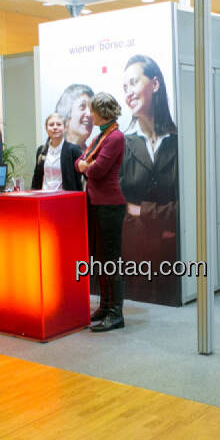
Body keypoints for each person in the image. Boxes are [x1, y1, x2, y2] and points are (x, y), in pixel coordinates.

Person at [118, 54, 180, 306]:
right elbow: (120, 205)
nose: (128, 93)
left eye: (133, 83)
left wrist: (142, 211)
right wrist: (159, 214)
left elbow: (187, 208)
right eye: (125, 88)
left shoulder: (180, 142)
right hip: (135, 255)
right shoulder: (122, 145)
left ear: (155, 84)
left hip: (174, 255)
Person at [75, 93, 127, 333]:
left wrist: (86, 166)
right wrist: (85, 165)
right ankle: (105, 307)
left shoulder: (115, 137)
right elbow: (80, 162)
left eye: (92, 111)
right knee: (99, 258)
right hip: (96, 203)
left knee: (111, 260)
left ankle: (116, 313)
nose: (90, 115)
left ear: (102, 113)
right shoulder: (100, 136)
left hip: (109, 205)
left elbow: (98, 170)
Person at [31, 113, 83, 192]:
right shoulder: (41, 150)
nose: (55, 127)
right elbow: (36, 177)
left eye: (58, 124)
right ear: (46, 128)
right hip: (44, 196)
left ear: (64, 128)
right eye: (51, 125)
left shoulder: (73, 150)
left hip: (65, 197)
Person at [55, 83, 95, 149]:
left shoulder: (94, 154)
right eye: (82, 106)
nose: (89, 114)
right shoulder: (53, 152)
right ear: (67, 113)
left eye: (91, 108)